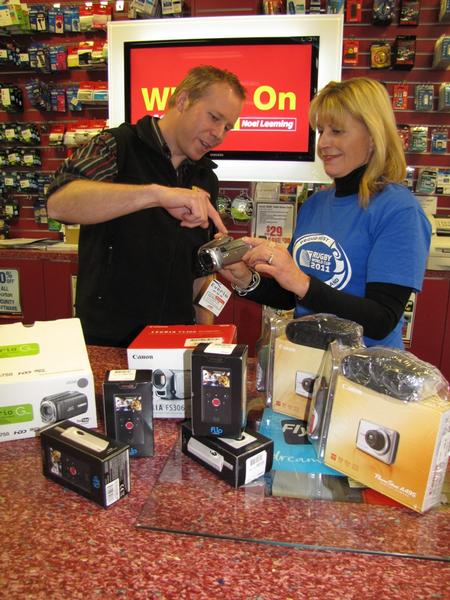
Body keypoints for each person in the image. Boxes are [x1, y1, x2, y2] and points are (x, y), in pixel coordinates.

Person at [220, 77, 431, 349]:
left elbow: (381, 320)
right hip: (306, 365)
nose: (323, 143)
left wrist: (301, 282)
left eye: (337, 131)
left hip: (363, 375)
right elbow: (293, 296)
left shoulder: (399, 211)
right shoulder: (315, 204)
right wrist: (247, 279)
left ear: (373, 135)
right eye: (321, 131)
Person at [47, 65, 246, 347]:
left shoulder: (205, 178)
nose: (219, 134)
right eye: (214, 118)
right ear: (183, 100)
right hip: (109, 341)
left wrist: (205, 342)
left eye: (227, 127)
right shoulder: (116, 145)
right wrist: (156, 195)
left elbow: (200, 274)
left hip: (175, 342)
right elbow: (59, 204)